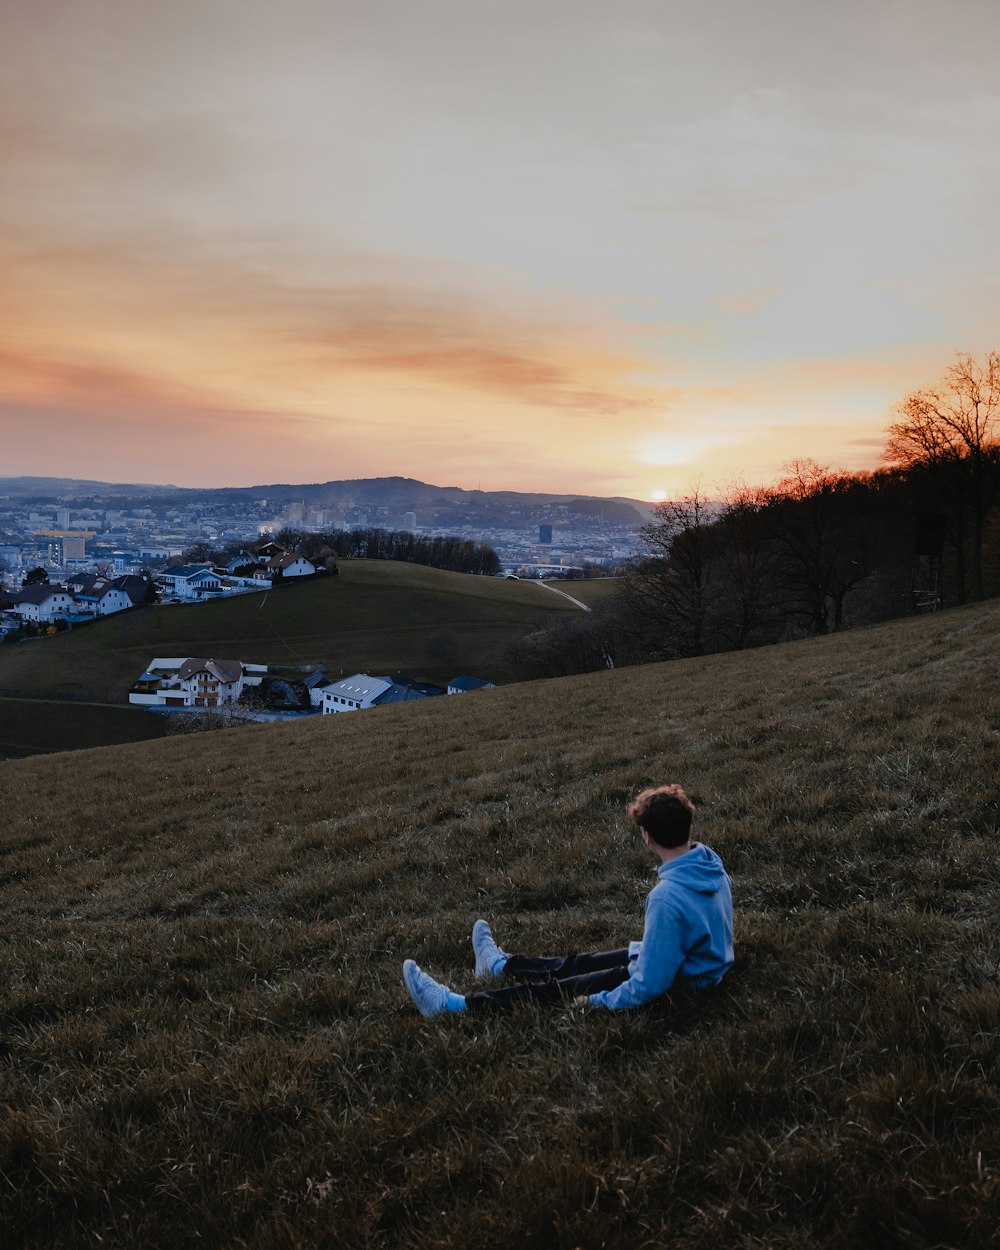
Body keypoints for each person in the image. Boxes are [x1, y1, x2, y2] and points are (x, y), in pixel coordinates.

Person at [402, 783, 733, 1017]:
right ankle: (501, 965)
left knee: (558, 988)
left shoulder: (666, 898)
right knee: (579, 963)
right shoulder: (707, 863)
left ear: (647, 837)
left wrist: (597, 1002)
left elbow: (650, 984)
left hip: (684, 984)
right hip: (696, 966)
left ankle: (454, 1006)